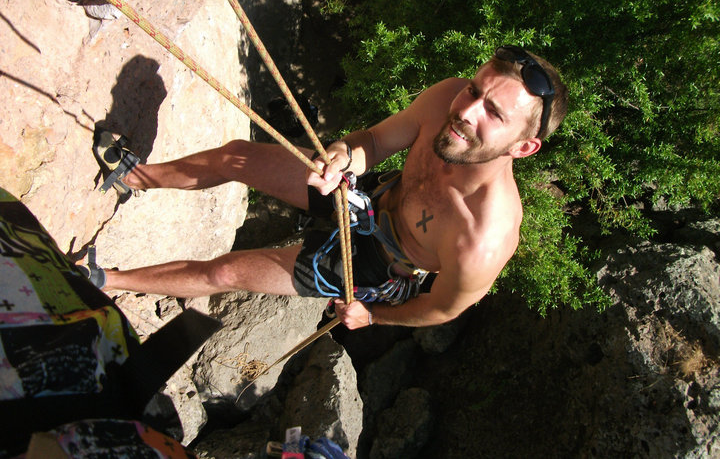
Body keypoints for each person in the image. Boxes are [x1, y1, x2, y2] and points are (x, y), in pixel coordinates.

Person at [92, 45, 568, 330]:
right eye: (476, 90)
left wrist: (372, 317)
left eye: (494, 114)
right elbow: (377, 140)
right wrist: (342, 155)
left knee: (224, 275)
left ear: (523, 148)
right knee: (238, 155)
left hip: (376, 265)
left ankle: (105, 279)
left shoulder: (483, 238)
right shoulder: (449, 97)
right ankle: (134, 178)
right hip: (368, 195)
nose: (467, 110)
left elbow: (442, 309)